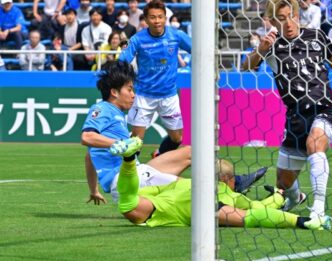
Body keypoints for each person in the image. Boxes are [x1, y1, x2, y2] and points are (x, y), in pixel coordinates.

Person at [242, 0, 332, 219]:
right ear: (272, 21)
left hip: (324, 108)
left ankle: (318, 210)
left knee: (315, 144)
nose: (288, 22)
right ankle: (295, 197)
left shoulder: (316, 36)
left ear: (298, 15)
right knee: (284, 182)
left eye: (291, 16)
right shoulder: (271, 45)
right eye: (281, 18)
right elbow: (246, 67)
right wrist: (261, 50)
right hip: (295, 116)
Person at [82, 61, 268, 203]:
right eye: (129, 89)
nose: (133, 94)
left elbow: (89, 157)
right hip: (124, 180)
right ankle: (243, 203)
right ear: (114, 92)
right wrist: (116, 144)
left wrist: (93, 190)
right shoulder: (103, 109)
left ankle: (234, 182)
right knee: (189, 189)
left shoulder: (116, 115)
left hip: (136, 171)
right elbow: (87, 137)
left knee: (189, 152)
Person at [110, 137, 332, 230]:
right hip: (203, 207)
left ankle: (129, 161)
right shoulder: (234, 197)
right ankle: (304, 223)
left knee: (128, 203)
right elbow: (261, 212)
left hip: (164, 199)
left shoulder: (182, 183)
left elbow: (149, 190)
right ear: (228, 180)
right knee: (249, 218)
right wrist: (294, 214)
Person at [118, 0, 191, 155]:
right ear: (146, 20)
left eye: (160, 17)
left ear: (165, 18)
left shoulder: (176, 35)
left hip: (169, 96)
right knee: (136, 141)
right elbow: (122, 62)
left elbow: (197, 49)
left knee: (177, 138)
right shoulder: (138, 39)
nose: (157, 21)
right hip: (144, 96)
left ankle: (158, 155)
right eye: (152, 17)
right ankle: (130, 173)